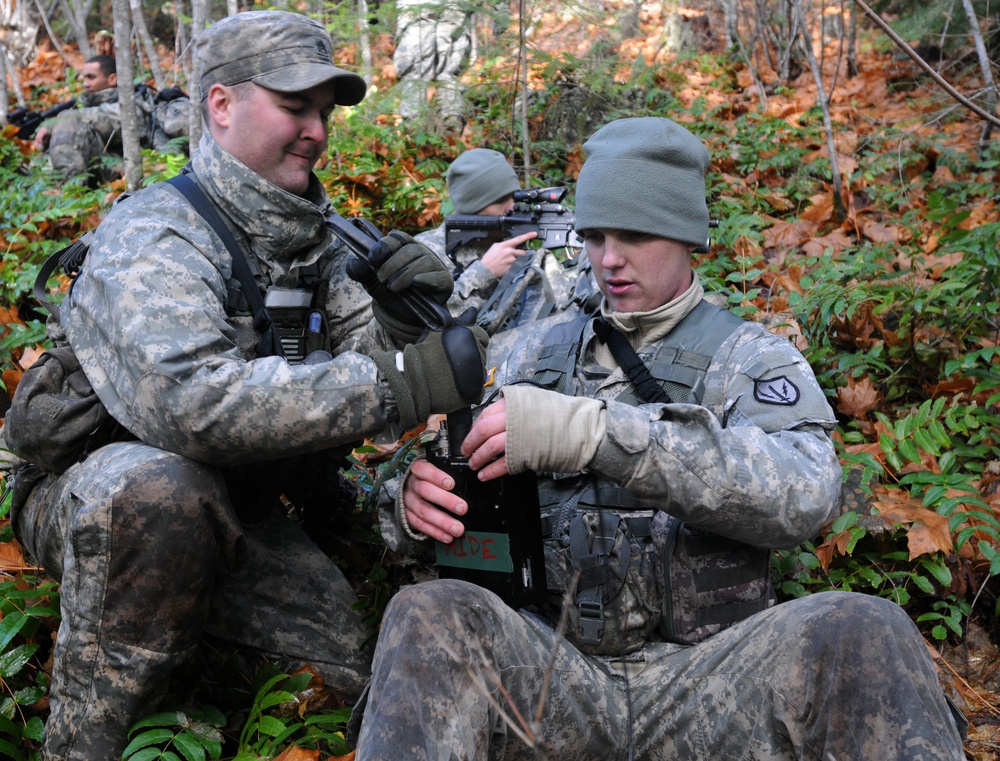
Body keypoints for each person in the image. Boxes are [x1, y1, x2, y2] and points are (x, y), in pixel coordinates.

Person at [349, 117, 968, 760]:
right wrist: (410, 506)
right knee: (429, 614)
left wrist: (598, 435)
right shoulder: (523, 353)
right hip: (551, 677)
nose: (609, 258)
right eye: (594, 236)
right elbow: (423, 484)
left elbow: (805, 492)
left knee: (863, 628)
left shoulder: (751, 360)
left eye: (635, 235)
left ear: (685, 235)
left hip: (713, 682)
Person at [0, 10, 485, 760]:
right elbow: (193, 404)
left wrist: (400, 328)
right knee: (156, 490)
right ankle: (81, 740)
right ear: (220, 105)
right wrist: (400, 378)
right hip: (99, 495)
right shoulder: (157, 234)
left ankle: (189, 629)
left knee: (346, 674)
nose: (317, 130)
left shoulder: (320, 242)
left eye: (324, 112)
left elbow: (375, 403)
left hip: (242, 502)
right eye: (295, 106)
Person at [416, 147, 579, 333]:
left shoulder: (520, 246)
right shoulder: (424, 253)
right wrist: (483, 273)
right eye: (501, 199)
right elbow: (417, 325)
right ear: (474, 205)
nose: (513, 206)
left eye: (514, 196)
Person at [33, 53, 191, 185]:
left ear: (112, 79)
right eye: (83, 79)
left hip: (140, 172)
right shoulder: (85, 106)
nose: (85, 84)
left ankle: (70, 195)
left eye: (91, 77)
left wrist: (54, 124)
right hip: (110, 169)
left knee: (69, 121)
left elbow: (104, 118)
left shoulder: (132, 105)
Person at [393, 0, 471, 131]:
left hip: (415, 9)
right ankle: (452, 127)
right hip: (454, 7)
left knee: (413, 71)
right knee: (449, 73)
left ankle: (414, 130)